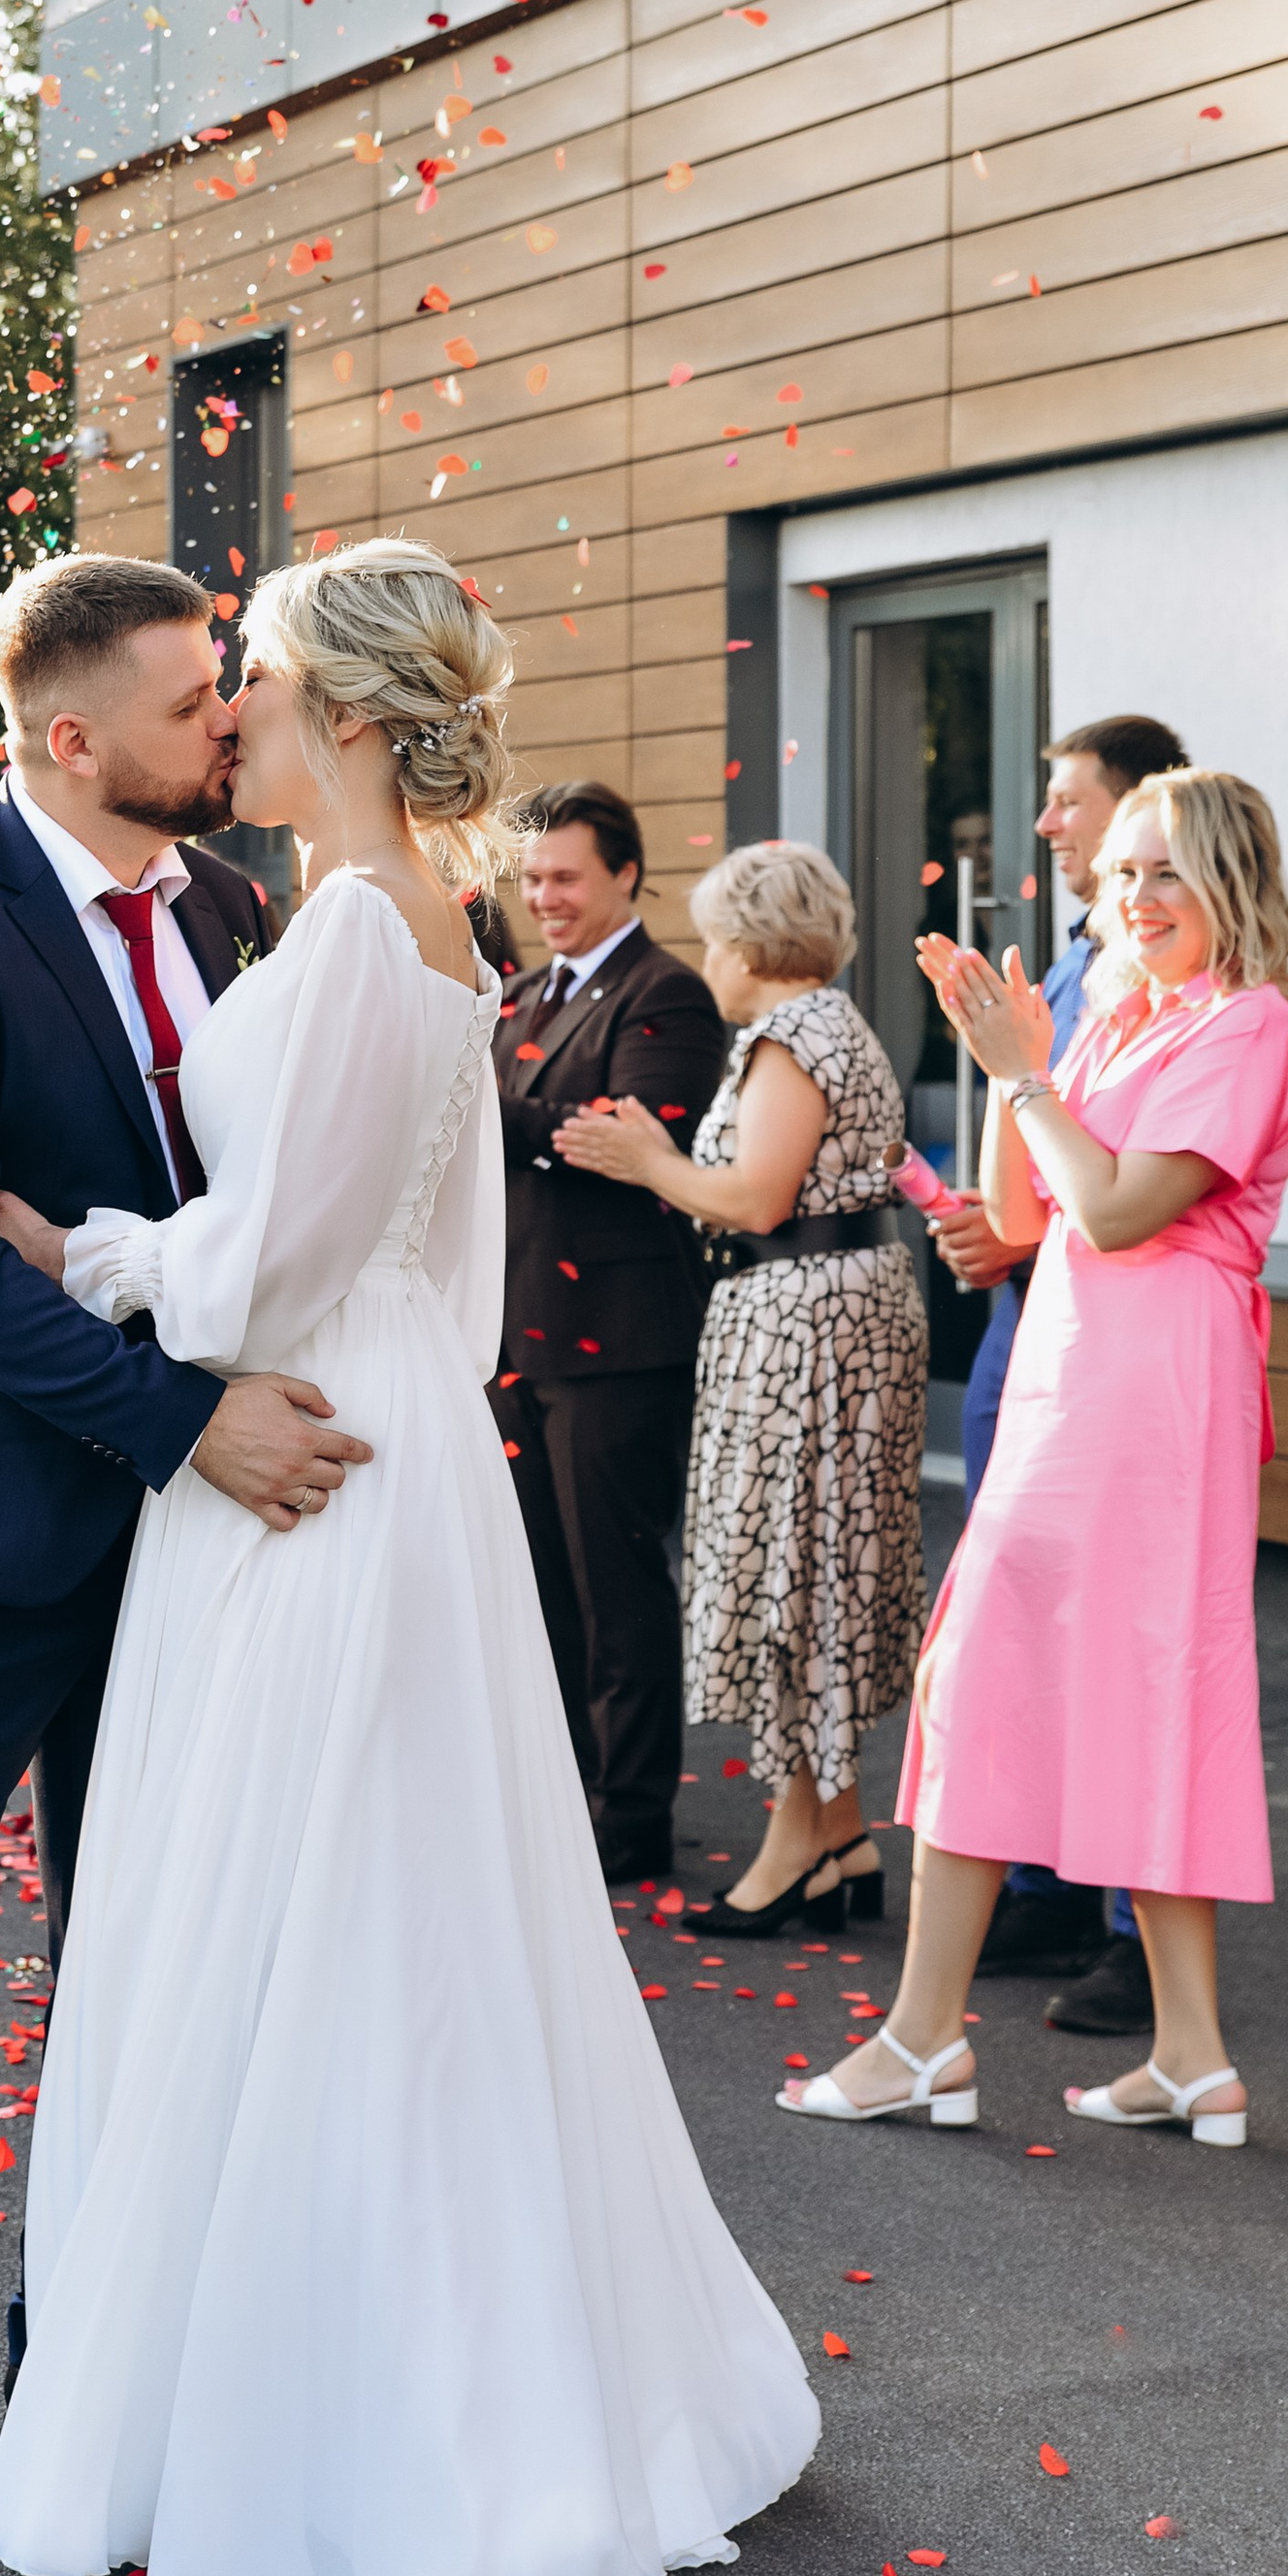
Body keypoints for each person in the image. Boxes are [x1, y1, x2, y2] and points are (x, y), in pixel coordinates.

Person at [0, 539, 815, 2576]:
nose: (225, 706)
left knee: (312, 1924)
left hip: (303, 1463)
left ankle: (337, 2427)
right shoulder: (409, 925)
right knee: (389, 1924)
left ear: (342, 709)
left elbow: (252, 1267)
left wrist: (67, 1247)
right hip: (384, 1444)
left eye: (247, 673)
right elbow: (435, 1274)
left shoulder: (357, 929)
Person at [0, 553, 367, 2576]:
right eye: (193, 692)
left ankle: (86, 2382)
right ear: (64, 733)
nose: (227, 717)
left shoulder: (232, 899)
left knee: (148, 1952)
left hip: (197, 1549)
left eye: (228, 688)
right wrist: (180, 1419)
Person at [785, 769, 1288, 2146]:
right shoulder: (1127, 1015)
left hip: (1152, 1373)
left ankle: (921, 2036)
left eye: (1169, 871)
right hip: (1081, 1363)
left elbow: (1122, 1208)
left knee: (1005, 1670)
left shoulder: (1252, 1022)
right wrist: (994, 1052)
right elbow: (1019, 1208)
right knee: (1115, 1679)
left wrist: (1025, 1071)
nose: (1136, 896)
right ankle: (1189, 2053)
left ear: (1237, 878)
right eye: (1124, 871)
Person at [558, 843, 927, 1938]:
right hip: (821, 1315)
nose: (707, 959)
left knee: (795, 1572)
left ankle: (794, 1844)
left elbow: (758, 1196)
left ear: (753, 945)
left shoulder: (791, 1033)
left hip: (808, 1326)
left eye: (717, 938)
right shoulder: (820, 1024)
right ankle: (840, 1833)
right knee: (810, 1566)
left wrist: (645, 1160)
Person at [930, 713, 1187, 2033]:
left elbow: (1123, 1164)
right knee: (1016, 1606)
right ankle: (1039, 1871)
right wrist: (997, 1215)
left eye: (1072, 799)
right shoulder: (1076, 956)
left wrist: (1023, 1099)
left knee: (1120, 1620)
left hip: (1123, 1322)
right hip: (1027, 1314)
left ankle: (1130, 1922)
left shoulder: (1195, 995)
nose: (1049, 825)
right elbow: (1031, 1131)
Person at [492, 780, 726, 1881]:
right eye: (532, 877)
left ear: (626, 875)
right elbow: (563, 1134)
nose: (544, 897)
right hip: (520, 1326)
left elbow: (632, 1137)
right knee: (541, 1583)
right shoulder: (527, 993)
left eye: (565, 877)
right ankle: (569, 1796)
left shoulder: (664, 994)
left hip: (620, 1335)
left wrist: (478, 1107)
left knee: (617, 1585)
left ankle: (629, 1817)